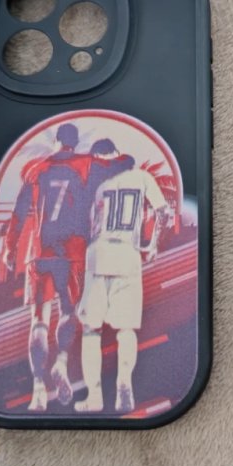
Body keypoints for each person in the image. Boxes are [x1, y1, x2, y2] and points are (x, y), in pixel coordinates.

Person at [1, 124, 134, 411]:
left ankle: (38, 389)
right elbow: (126, 163)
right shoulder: (87, 164)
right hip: (73, 254)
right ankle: (61, 361)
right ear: (75, 142)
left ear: (57, 141)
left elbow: (19, 211)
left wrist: (9, 247)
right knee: (68, 312)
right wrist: (113, 157)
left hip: (40, 252)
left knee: (39, 319)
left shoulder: (36, 169)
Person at [74, 139, 170, 414]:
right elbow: (163, 211)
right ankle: (124, 384)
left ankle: (94, 397)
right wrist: (152, 244)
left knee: (91, 329)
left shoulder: (96, 182)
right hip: (128, 253)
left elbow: (83, 222)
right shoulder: (141, 177)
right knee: (126, 329)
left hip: (98, 253)